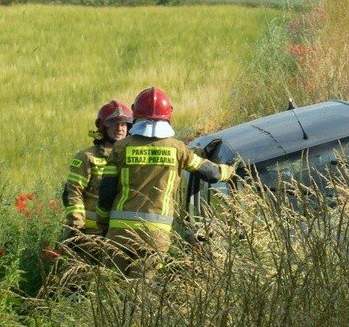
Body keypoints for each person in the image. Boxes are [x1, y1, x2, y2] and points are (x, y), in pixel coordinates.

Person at [100, 86, 236, 274]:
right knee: (142, 292)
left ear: (135, 114)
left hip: (119, 233)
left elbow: (105, 192)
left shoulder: (121, 148)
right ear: (168, 114)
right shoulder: (177, 149)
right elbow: (211, 174)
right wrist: (231, 170)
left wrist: (101, 222)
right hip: (156, 235)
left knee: (113, 290)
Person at [60, 100, 130, 259]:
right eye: (114, 124)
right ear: (103, 127)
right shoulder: (87, 157)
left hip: (119, 234)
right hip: (90, 234)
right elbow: (73, 192)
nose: (120, 129)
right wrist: (77, 228)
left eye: (124, 124)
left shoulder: (129, 158)